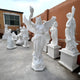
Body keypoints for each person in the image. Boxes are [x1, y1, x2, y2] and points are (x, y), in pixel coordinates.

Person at [24, 6, 56, 71]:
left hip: (41, 39)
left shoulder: (43, 25)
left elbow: (46, 30)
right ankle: (36, 59)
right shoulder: (35, 25)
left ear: (40, 20)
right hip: (36, 39)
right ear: (36, 20)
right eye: (37, 19)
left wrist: (52, 20)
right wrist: (31, 14)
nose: (38, 20)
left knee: (40, 49)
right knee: (36, 49)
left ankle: (39, 58)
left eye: (39, 19)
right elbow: (29, 22)